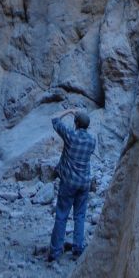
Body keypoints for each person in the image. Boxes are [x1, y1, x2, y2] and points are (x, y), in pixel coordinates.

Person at [48, 107, 96, 262]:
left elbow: (54, 119)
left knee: (62, 216)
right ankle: (78, 248)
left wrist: (69, 111)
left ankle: (55, 252)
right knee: (80, 216)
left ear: (75, 123)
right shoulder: (91, 141)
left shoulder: (70, 135)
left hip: (68, 182)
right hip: (84, 183)